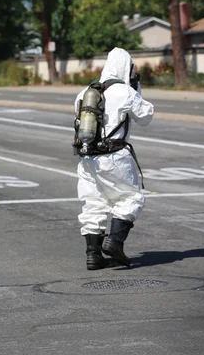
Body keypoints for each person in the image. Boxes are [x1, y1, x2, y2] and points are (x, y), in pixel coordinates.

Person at [73, 47, 154, 270]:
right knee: (131, 197)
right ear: (126, 68)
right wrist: (137, 88)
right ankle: (115, 242)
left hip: (87, 159)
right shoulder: (124, 92)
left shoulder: (85, 93)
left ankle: (93, 255)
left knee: (93, 203)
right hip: (115, 156)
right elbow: (146, 116)